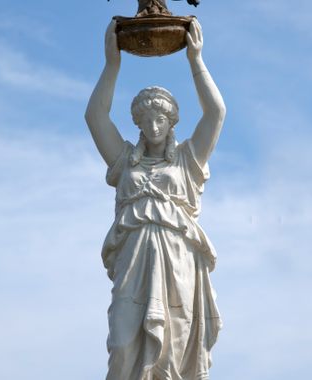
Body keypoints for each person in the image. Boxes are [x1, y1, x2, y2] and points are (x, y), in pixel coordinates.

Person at [85, 18, 226, 380]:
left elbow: (216, 113)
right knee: (121, 346)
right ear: (138, 122)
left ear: (171, 121)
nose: (154, 125)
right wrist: (111, 63)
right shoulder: (124, 160)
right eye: (147, 118)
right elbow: (95, 116)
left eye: (161, 118)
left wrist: (196, 60)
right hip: (132, 259)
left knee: (174, 352)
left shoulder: (187, 161)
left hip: (178, 260)